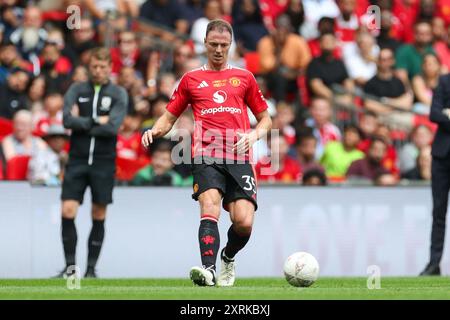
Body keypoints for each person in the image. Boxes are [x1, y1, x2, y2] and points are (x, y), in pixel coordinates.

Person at [141, 19, 272, 287]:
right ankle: (209, 270)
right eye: (213, 44)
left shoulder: (245, 78)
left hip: (239, 157)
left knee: (244, 222)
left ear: (231, 45)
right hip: (206, 155)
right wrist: (153, 131)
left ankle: (228, 256)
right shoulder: (191, 80)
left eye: (224, 45)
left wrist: (253, 135)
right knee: (209, 206)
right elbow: (169, 116)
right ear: (205, 44)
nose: (219, 50)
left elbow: (266, 120)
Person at [55, 47, 128, 278]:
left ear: (110, 67)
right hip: (76, 159)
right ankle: (70, 268)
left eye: (102, 67)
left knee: (98, 213)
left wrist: (83, 121)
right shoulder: (76, 89)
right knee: (67, 210)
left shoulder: (118, 93)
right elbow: (67, 120)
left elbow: (113, 127)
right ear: (89, 67)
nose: (98, 71)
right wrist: (97, 120)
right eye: (94, 66)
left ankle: (90, 270)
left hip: (104, 162)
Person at [420, 73, 450, 276]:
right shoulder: (444, 81)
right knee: (438, 213)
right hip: (441, 157)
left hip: (442, 149)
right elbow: (433, 114)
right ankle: (434, 263)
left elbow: (441, 115)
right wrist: (444, 114)